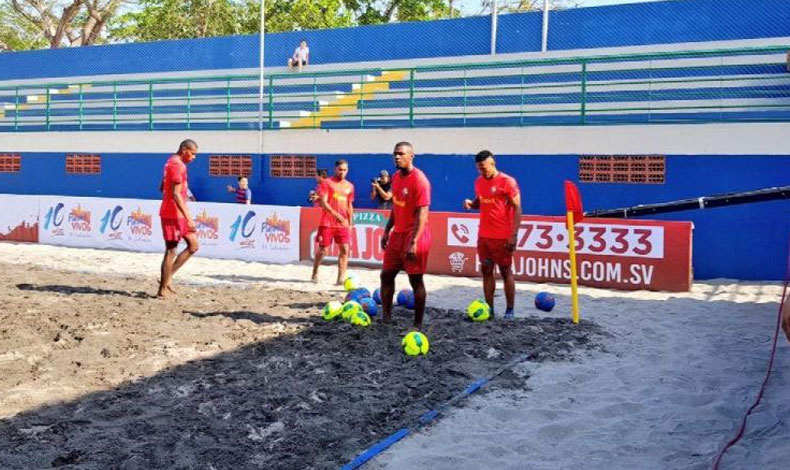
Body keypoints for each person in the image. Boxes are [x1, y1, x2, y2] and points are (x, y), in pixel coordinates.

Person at [463, 150, 522, 319]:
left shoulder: (507, 182)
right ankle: (489, 309)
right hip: (484, 237)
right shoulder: (479, 182)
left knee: (505, 271)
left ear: (492, 163)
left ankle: (510, 310)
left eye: (484, 167)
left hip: (503, 237)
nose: (482, 171)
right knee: (486, 270)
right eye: (479, 169)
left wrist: (513, 235)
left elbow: (518, 208)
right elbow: (480, 201)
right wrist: (471, 204)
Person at [380, 142, 432, 331]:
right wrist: (387, 231)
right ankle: (386, 317)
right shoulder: (395, 177)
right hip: (397, 235)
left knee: (415, 280)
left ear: (411, 156)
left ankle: (417, 324)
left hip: (415, 236)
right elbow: (396, 206)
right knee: (386, 275)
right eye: (395, 154)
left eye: (401, 154)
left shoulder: (420, 180)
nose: (397, 157)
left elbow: (423, 213)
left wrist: (414, 242)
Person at [158, 139, 200, 298]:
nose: (194, 157)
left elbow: (162, 186)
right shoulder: (178, 165)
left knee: (193, 245)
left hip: (176, 212)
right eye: (193, 154)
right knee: (171, 250)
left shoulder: (171, 161)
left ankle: (167, 278)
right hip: (173, 214)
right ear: (184, 150)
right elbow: (175, 194)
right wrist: (189, 217)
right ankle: (162, 290)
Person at [311, 160, 354, 285]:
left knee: (345, 250)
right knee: (323, 250)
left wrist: (350, 223)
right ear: (335, 169)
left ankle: (340, 278)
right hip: (328, 222)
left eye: (345, 170)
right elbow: (324, 203)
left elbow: (349, 204)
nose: (342, 172)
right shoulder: (327, 183)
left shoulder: (350, 186)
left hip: (343, 224)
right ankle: (315, 271)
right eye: (340, 169)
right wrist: (336, 215)